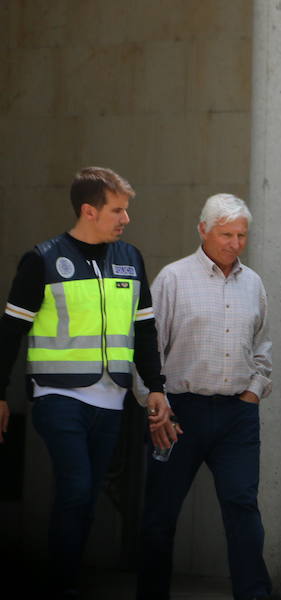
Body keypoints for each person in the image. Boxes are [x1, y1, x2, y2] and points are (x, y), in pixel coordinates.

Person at [0, 167, 175, 597]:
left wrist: (155, 386)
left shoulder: (131, 260)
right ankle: (63, 585)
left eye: (126, 210)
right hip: (58, 396)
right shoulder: (41, 260)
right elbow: (10, 332)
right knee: (77, 490)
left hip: (112, 400)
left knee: (86, 498)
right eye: (118, 210)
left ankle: (66, 577)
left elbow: (145, 331)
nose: (126, 219)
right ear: (88, 211)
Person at [136, 194, 274, 600]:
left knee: (242, 508)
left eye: (241, 235)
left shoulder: (253, 283)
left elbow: (263, 346)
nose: (234, 243)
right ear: (203, 230)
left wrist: (254, 391)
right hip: (179, 412)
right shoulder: (173, 279)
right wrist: (154, 404)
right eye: (226, 234)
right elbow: (147, 348)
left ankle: (253, 595)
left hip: (237, 414)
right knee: (161, 514)